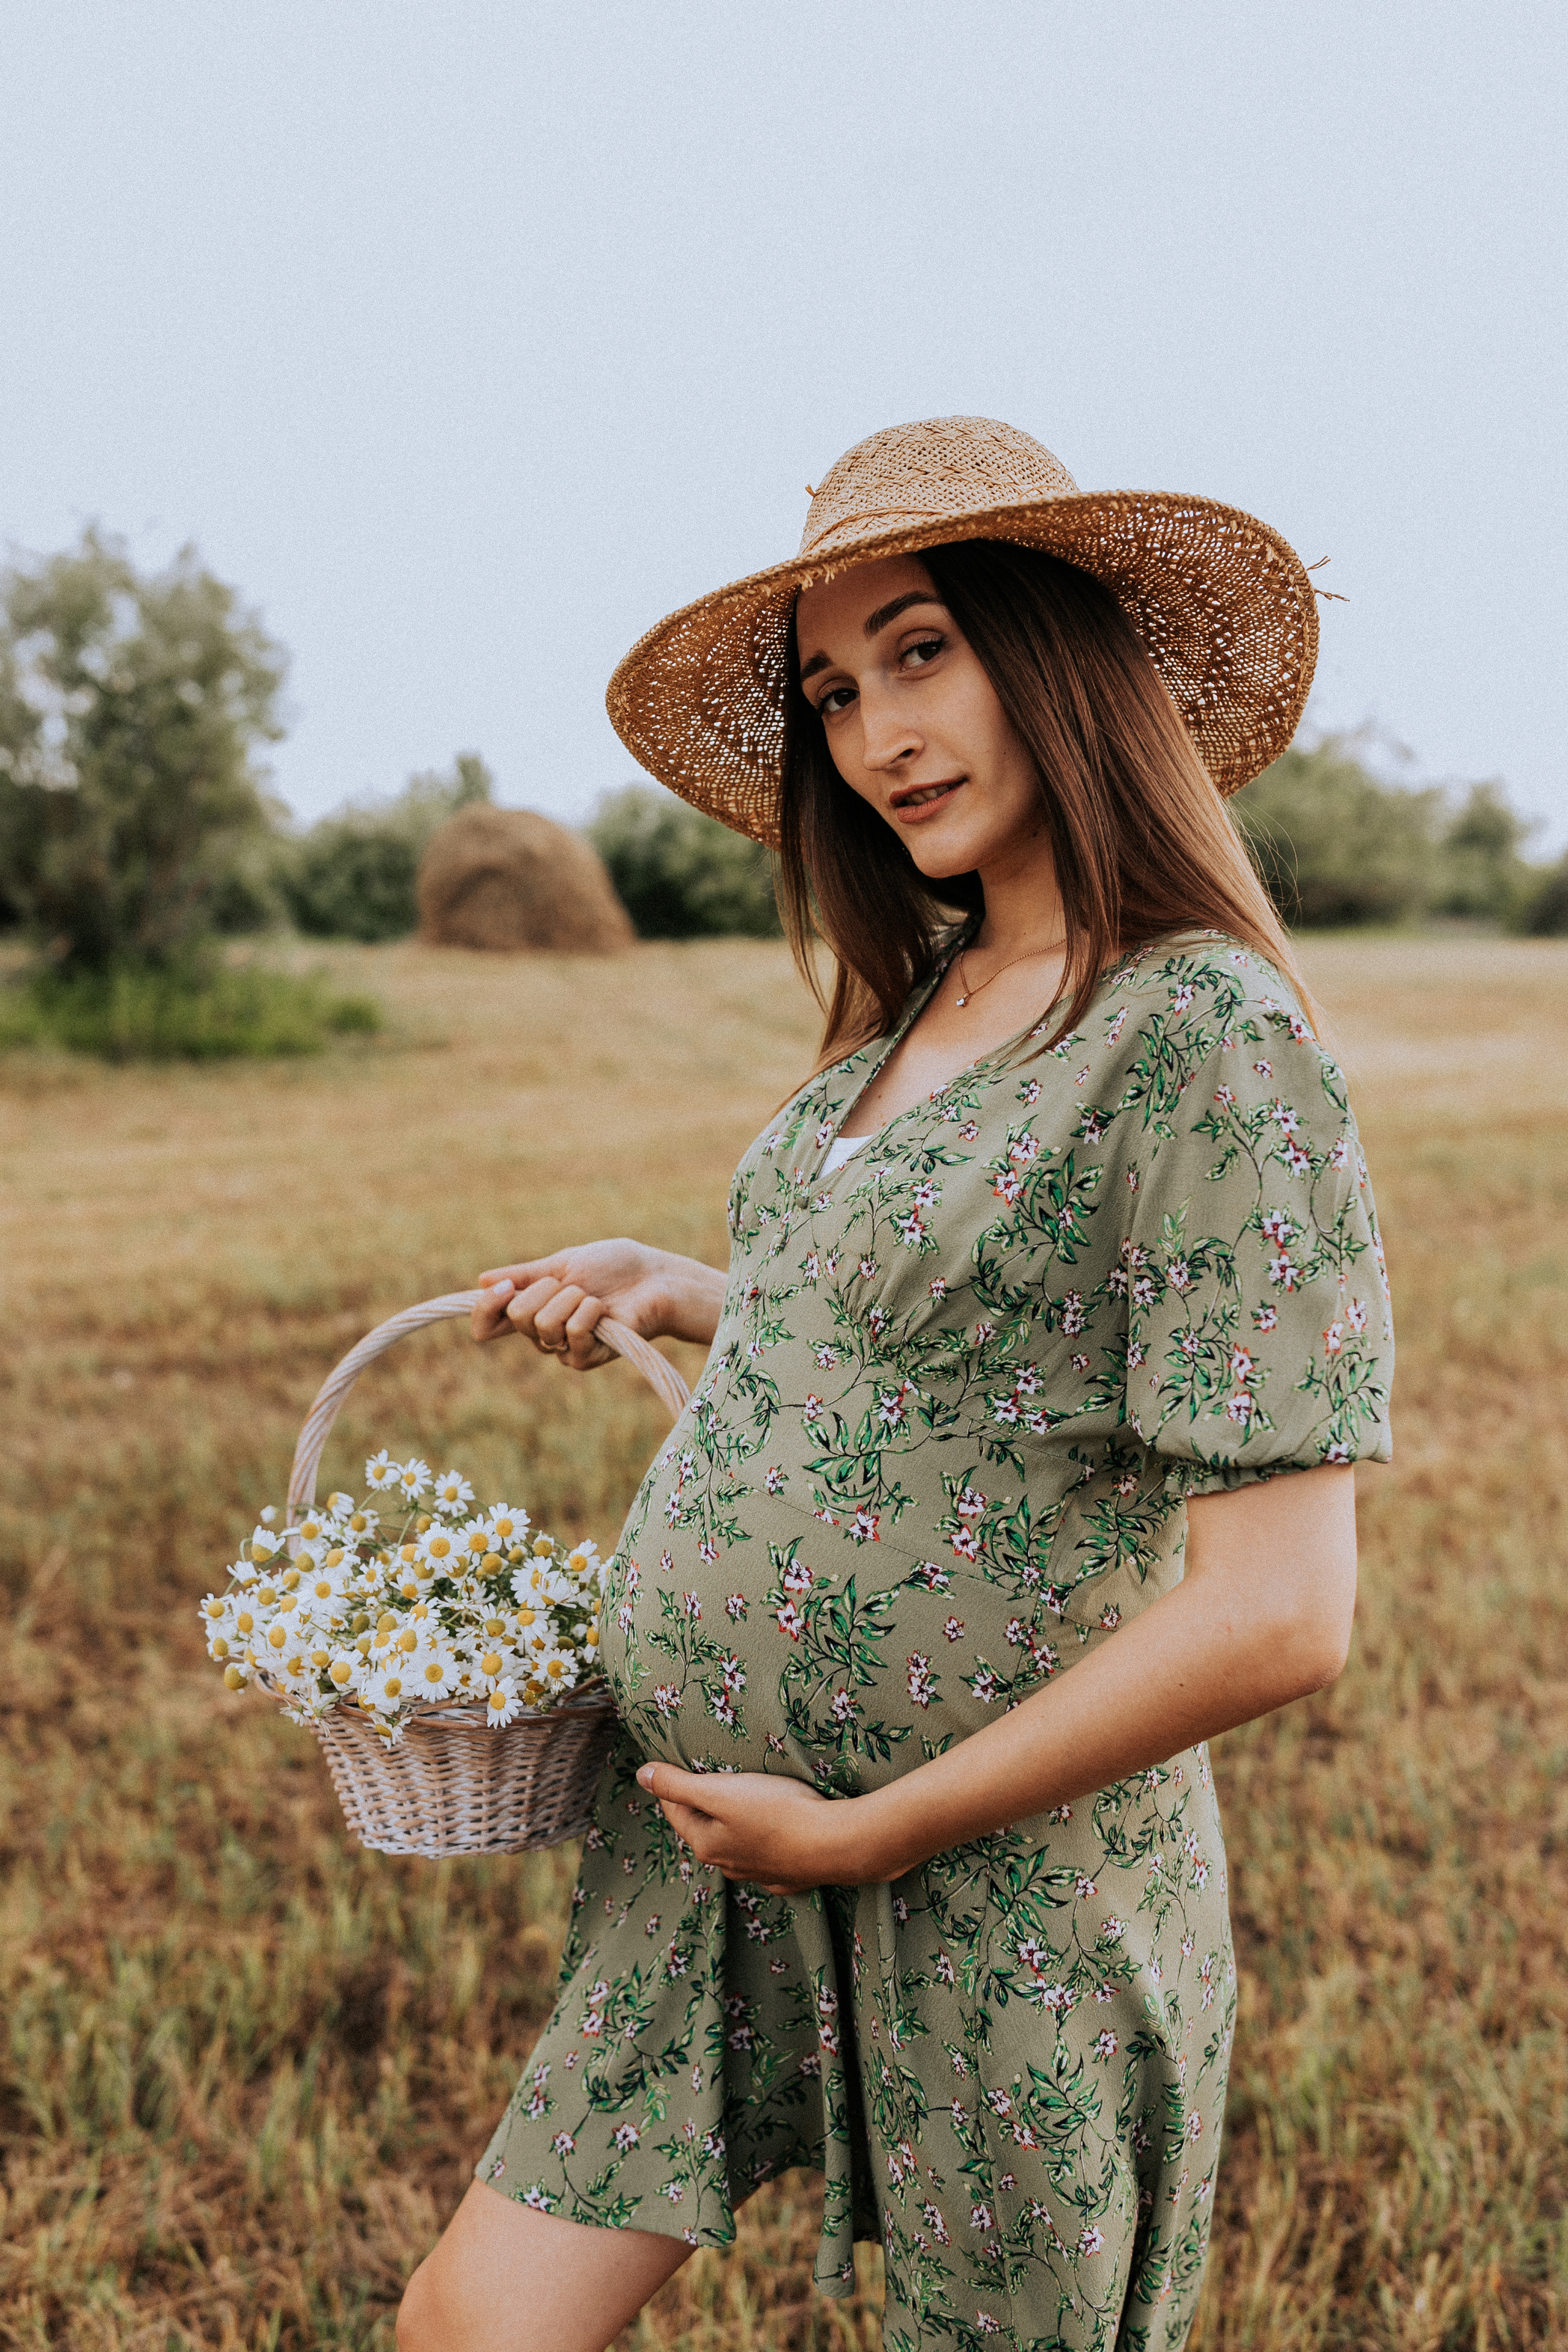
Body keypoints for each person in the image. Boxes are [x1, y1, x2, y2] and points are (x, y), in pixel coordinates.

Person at [398, 417, 1393, 2352]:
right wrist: (690, 1288)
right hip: (718, 1859)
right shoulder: (925, 995)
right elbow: (954, 1329)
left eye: (921, 650)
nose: (876, 735)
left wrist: (878, 1830)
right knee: (469, 2324)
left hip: (999, 1881)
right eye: (836, 691)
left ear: (1057, 657)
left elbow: (1286, 1612)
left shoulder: (1201, 1027)